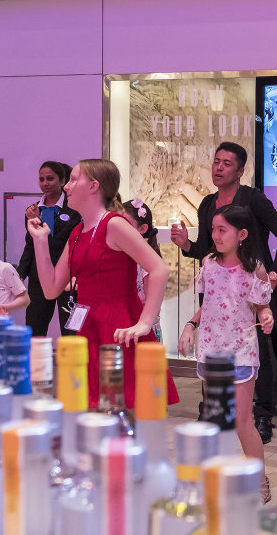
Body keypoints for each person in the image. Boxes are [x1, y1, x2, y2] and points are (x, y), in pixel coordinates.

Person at [27, 158, 178, 409]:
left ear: (93, 186)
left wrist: (145, 322)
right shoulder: (77, 232)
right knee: (95, 408)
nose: (66, 186)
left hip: (119, 326)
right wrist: (40, 241)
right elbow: (51, 288)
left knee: (120, 408)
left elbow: (158, 269)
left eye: (73, 179)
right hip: (89, 326)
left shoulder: (114, 224)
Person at [170, 142, 277, 442]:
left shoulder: (253, 199)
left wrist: (274, 273)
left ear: (240, 171)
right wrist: (186, 245)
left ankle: (262, 415)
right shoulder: (207, 204)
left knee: (256, 352)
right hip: (218, 289)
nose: (219, 167)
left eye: (227, 163)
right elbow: (207, 249)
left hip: (249, 285)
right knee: (213, 349)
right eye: (216, 161)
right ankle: (210, 410)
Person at [178, 205, 274, 502]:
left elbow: (261, 306)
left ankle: (259, 480)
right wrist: (190, 325)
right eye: (214, 230)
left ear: (242, 234)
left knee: (242, 421)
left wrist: (267, 316)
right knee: (217, 420)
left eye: (223, 230)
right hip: (211, 352)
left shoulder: (255, 269)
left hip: (241, 351)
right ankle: (217, 480)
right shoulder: (208, 263)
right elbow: (209, 304)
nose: (216, 236)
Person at [17, 161, 80, 335]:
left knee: (70, 331)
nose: (45, 183)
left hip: (67, 278)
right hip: (39, 277)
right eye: (41, 179)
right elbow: (30, 245)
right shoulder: (33, 210)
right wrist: (20, 274)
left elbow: (59, 245)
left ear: (62, 181)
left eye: (50, 179)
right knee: (34, 328)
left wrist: (39, 223)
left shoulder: (74, 209)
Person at [122, 198, 163, 342]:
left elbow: (153, 303)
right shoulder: (127, 255)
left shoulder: (147, 262)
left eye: (126, 225)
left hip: (142, 329)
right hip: (128, 325)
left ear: (142, 229)